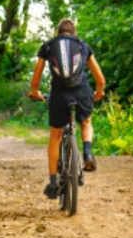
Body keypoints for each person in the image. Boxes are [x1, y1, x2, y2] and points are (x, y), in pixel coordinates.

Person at [29, 18, 106, 200]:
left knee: (55, 135)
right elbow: (100, 79)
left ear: (57, 33)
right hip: (81, 93)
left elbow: (36, 78)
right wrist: (99, 92)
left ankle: (54, 181)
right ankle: (87, 152)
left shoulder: (48, 46)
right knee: (86, 122)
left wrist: (35, 92)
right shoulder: (82, 45)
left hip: (59, 96)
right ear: (74, 33)